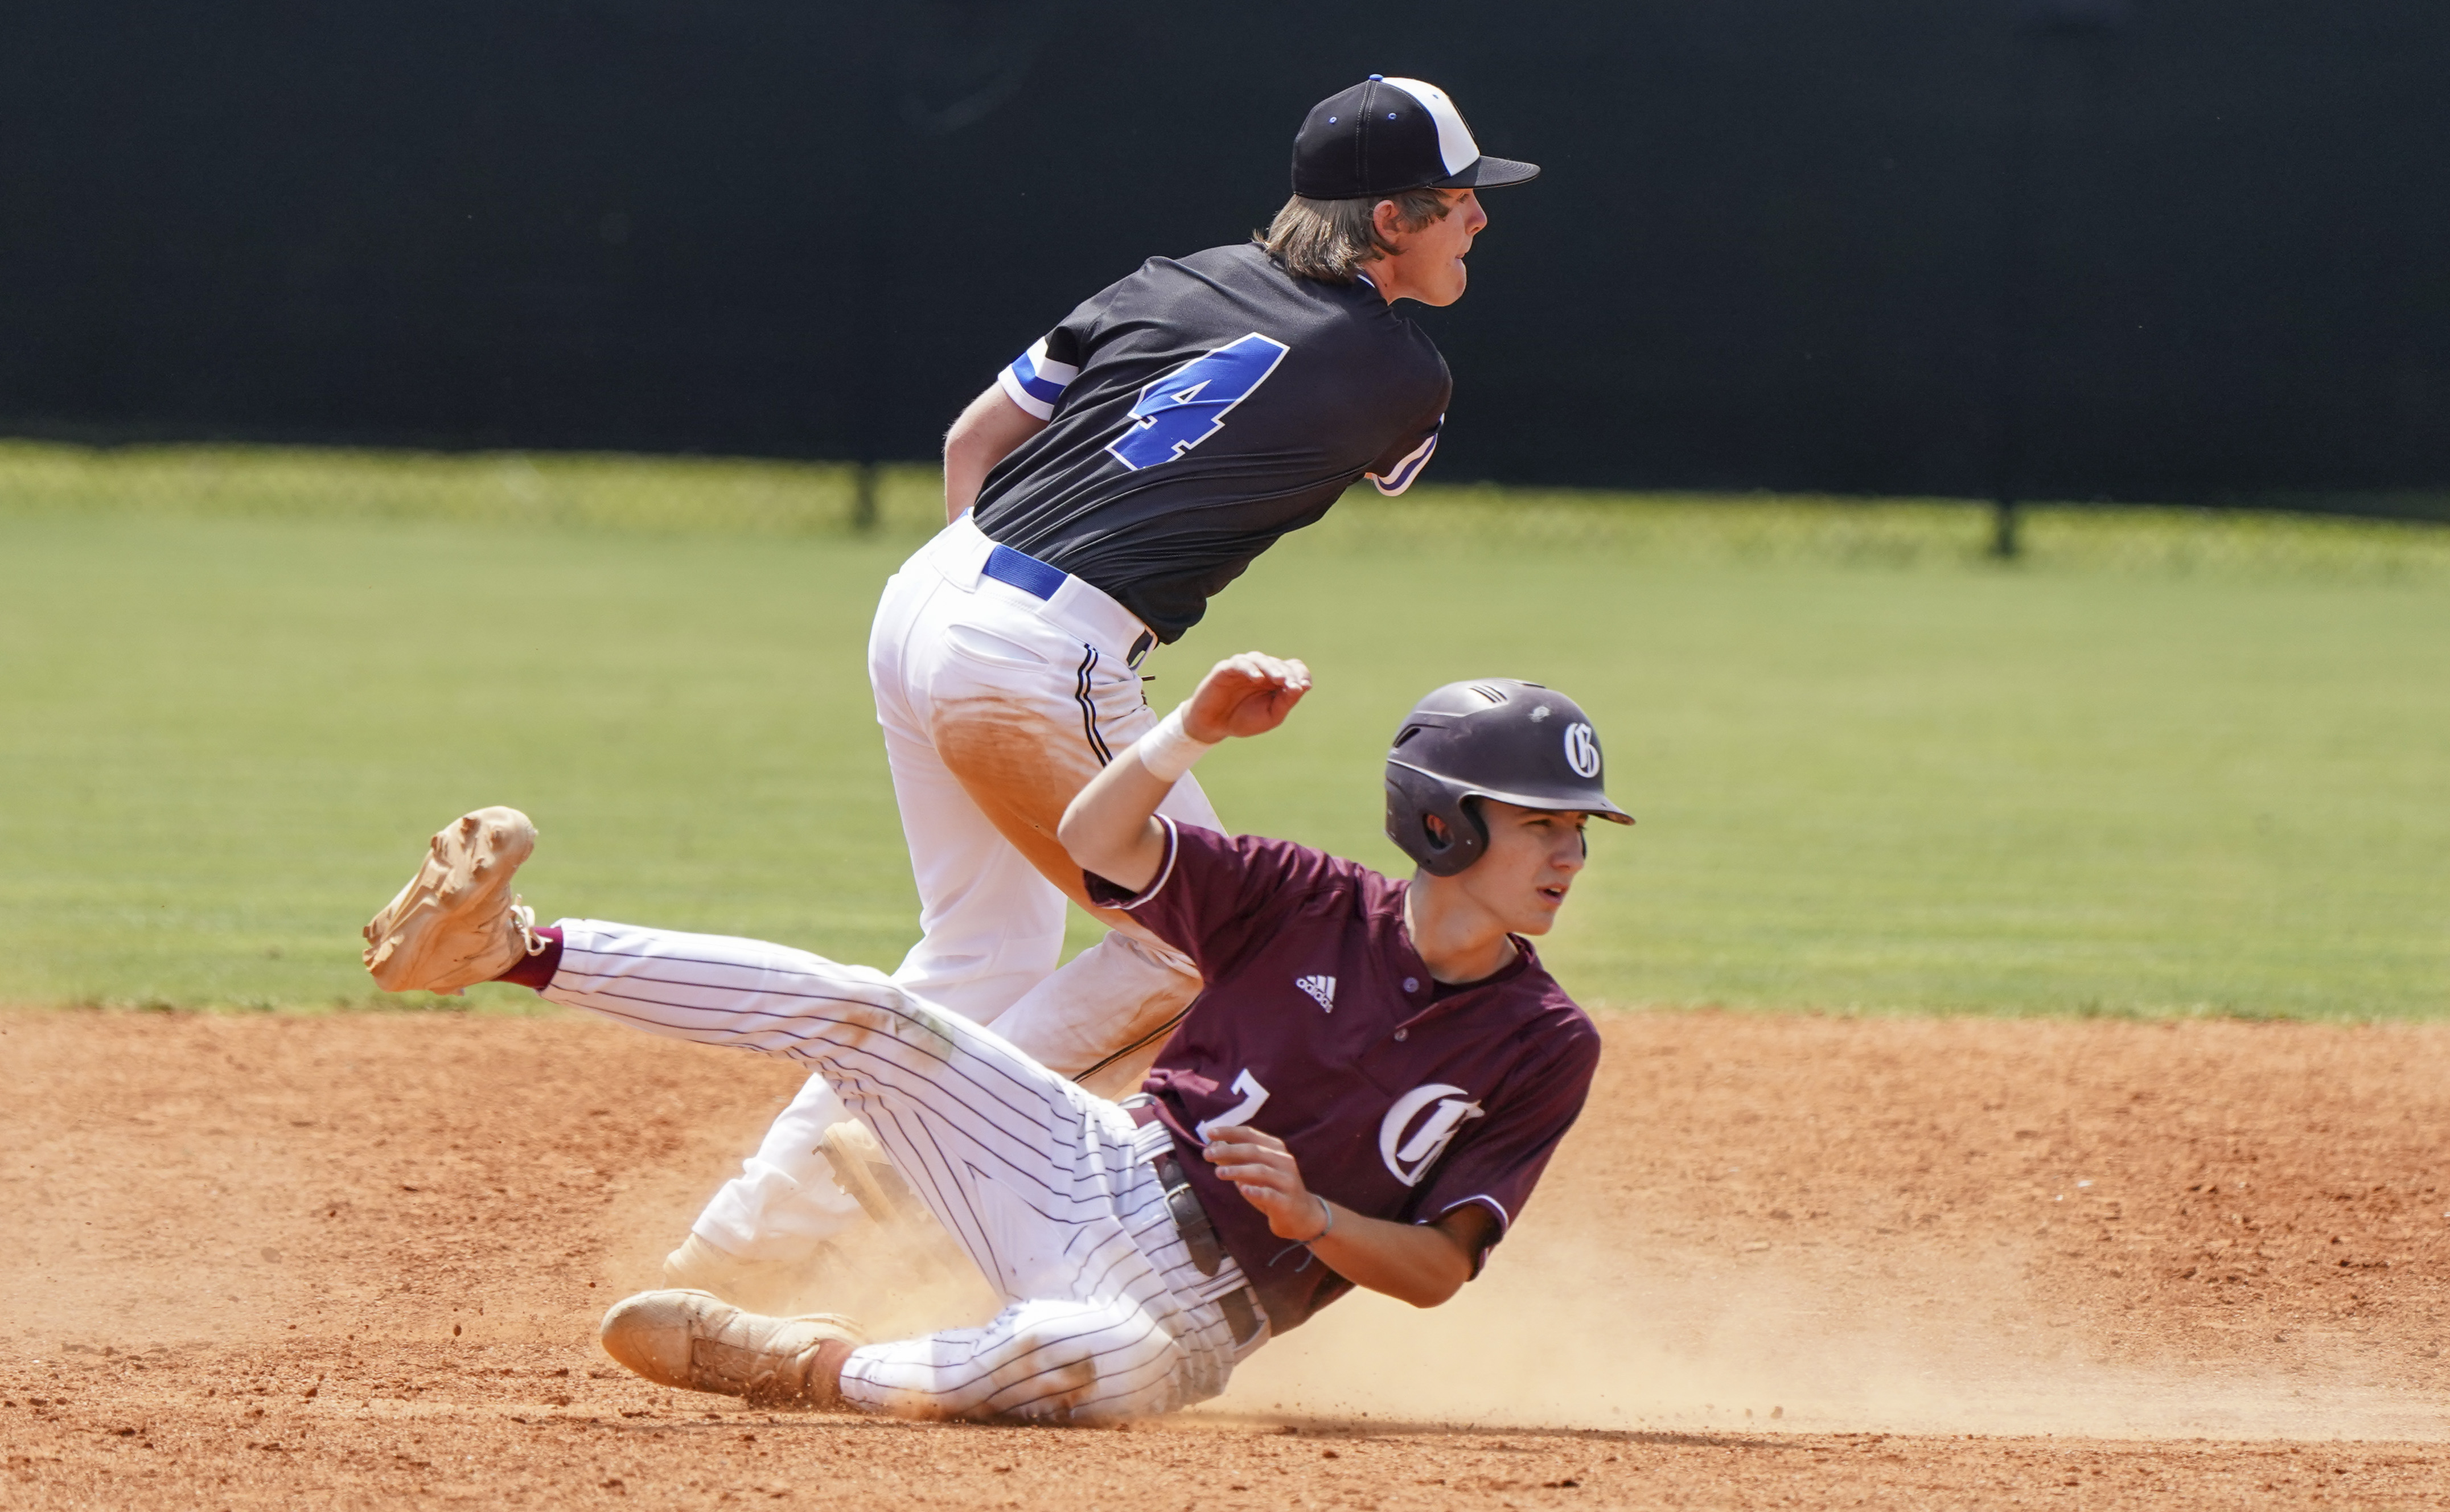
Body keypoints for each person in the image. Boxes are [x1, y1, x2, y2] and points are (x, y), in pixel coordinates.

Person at [634, 74, 1542, 1300]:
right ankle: (921, 1147)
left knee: (977, 950)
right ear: (1390, 222)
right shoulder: (1405, 375)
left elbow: (973, 441)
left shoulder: (1165, 278)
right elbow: (1345, 447)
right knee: (1192, 951)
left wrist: (975, 609)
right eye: (1456, 205)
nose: (1477, 222)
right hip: (1038, 648)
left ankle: (741, 1248)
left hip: (925, 596)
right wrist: (1016, 642)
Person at [357, 653, 1627, 1421]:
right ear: (1447, 824)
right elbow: (1099, 840)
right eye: (1544, 825)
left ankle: (810, 1367)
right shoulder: (1301, 895)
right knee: (870, 1009)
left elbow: (1438, 1269)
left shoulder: (1543, 1041)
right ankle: (509, 949)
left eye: (1578, 831)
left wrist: (1316, 1225)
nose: (1570, 854)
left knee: (1106, 1364)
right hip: (1092, 1163)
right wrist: (1187, 728)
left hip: (1194, 1314)